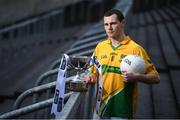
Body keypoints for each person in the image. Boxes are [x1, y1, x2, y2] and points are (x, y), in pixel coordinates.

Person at [84, 9, 160, 119]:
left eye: (113, 23)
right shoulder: (100, 47)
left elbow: (156, 78)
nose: (109, 28)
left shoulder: (135, 49)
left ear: (123, 23)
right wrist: (91, 77)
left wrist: (137, 76)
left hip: (123, 112)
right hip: (100, 109)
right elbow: (93, 73)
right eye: (106, 24)